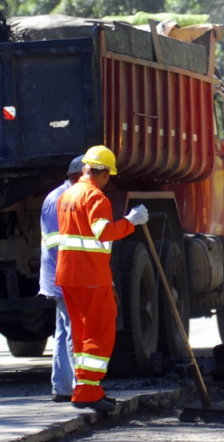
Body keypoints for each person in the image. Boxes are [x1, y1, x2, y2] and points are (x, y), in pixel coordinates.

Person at [56, 145, 150, 412]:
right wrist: (132, 221)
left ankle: (87, 389)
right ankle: (88, 391)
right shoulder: (97, 198)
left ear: (85, 167)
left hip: (69, 276)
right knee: (99, 332)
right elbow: (104, 233)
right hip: (90, 277)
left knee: (82, 332)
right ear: (105, 174)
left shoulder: (68, 196)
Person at [40, 156, 84, 402]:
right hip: (63, 276)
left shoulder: (60, 196)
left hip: (59, 275)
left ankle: (62, 387)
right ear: (79, 176)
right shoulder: (61, 199)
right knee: (72, 330)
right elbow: (58, 244)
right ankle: (79, 388)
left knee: (62, 329)